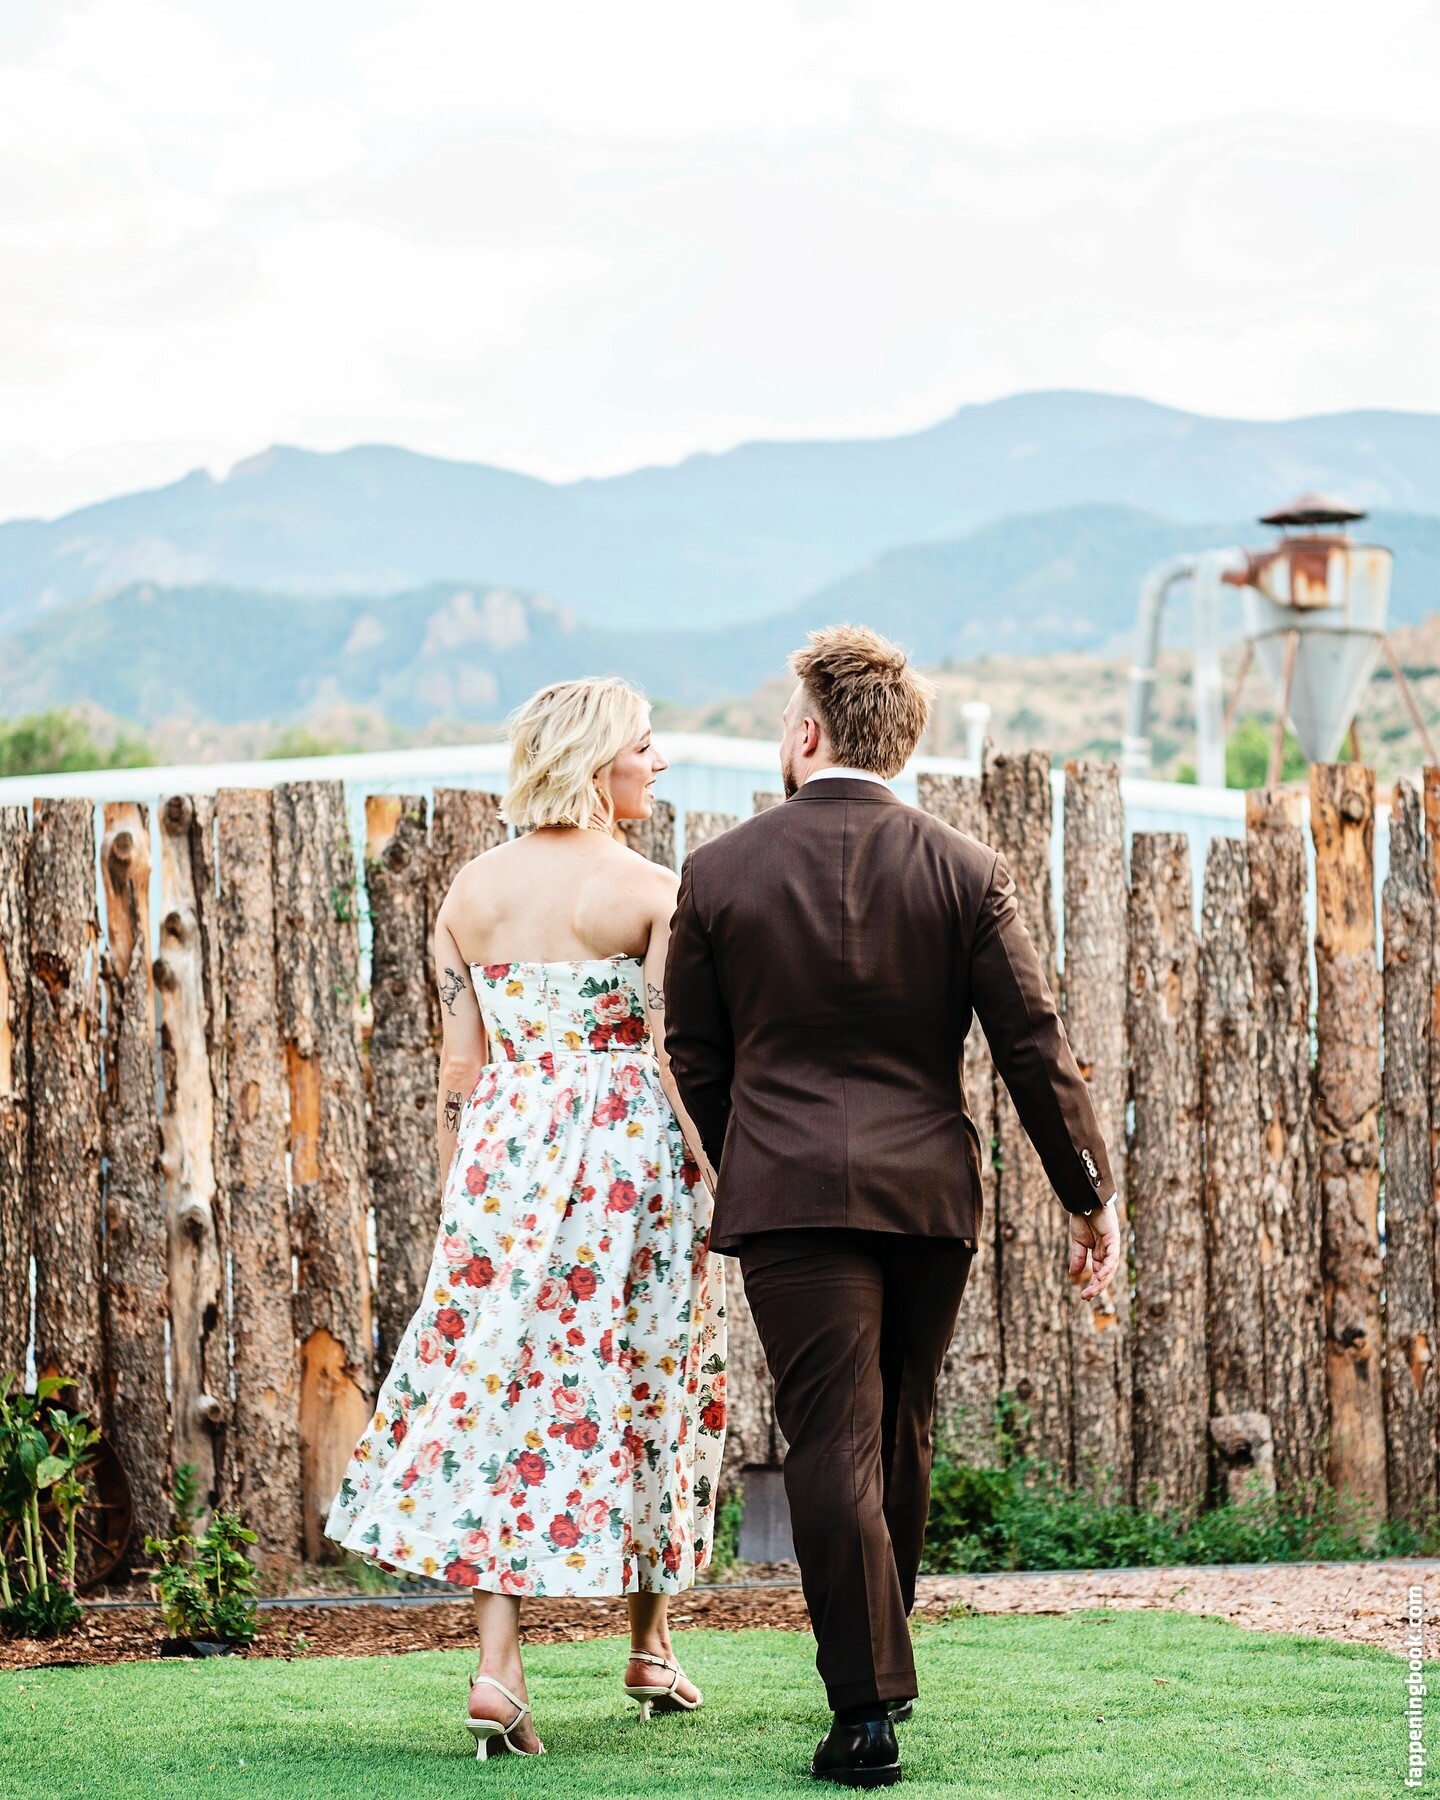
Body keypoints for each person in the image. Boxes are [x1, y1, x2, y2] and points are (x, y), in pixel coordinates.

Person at [664, 624, 1121, 1789]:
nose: (782, 736)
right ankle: (882, 1664)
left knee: (832, 1437)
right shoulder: (967, 870)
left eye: (785, 721)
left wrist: (752, 1153)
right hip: (927, 1193)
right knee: (899, 1427)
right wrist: (1089, 1196)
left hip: (790, 1197)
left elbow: (695, 1057)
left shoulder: (717, 872)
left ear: (811, 733)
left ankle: (864, 1704)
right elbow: (1032, 1044)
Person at [326, 677, 726, 1760]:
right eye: (645, 745)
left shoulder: (471, 891)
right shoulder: (653, 890)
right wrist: (719, 1168)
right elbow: (672, 1057)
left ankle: (498, 1669)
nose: (658, 763)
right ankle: (648, 1642)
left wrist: (466, 1191)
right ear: (599, 762)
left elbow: (460, 1069)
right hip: (627, 1164)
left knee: (498, 1390)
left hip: (502, 1160)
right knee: (644, 1372)